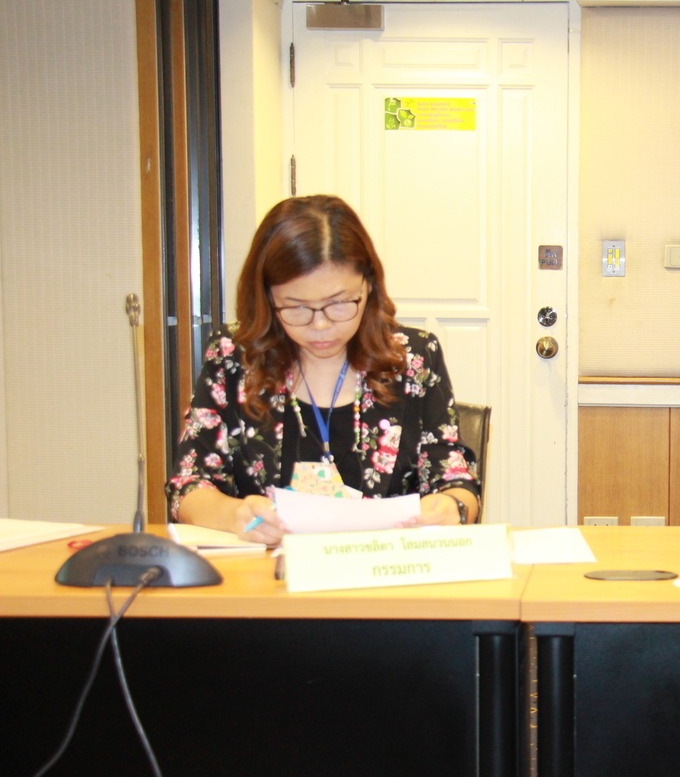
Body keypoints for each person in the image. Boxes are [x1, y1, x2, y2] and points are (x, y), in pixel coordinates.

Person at [166, 195, 480, 544]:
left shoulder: (412, 358)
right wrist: (234, 515)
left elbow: (454, 478)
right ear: (267, 297)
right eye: (296, 307)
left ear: (368, 285)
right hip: (266, 571)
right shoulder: (235, 357)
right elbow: (189, 485)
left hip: (383, 568)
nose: (320, 325)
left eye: (340, 303)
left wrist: (452, 507)